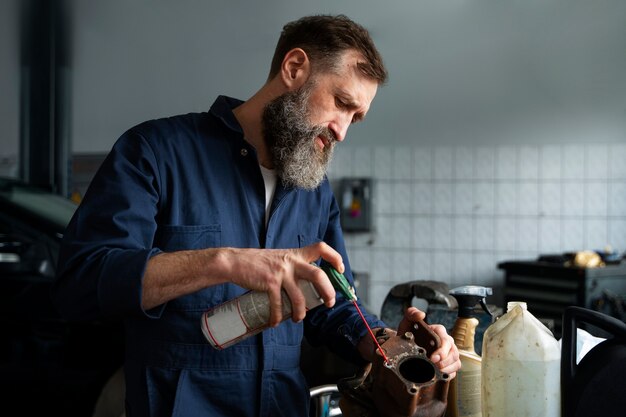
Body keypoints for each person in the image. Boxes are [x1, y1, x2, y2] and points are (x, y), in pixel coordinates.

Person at [52, 14, 460, 417]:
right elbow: (83, 280)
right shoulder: (156, 151)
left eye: (356, 117)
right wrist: (224, 262)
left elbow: (333, 301)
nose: (342, 131)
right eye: (341, 103)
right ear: (295, 68)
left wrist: (392, 345)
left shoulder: (314, 191)